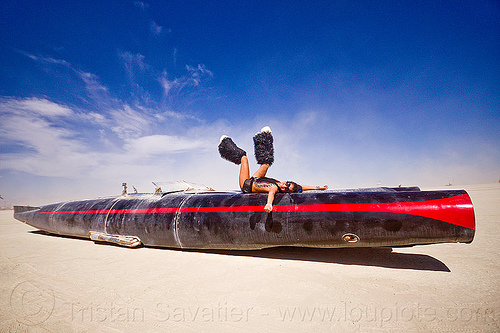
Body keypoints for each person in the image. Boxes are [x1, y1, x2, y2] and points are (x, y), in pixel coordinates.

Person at [218, 126, 328, 212]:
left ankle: (224, 144)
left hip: (246, 184)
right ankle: (262, 138)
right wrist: (318, 188)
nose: (284, 185)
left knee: (244, 158)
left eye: (286, 188)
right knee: (266, 163)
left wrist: (269, 205)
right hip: (257, 179)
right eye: (288, 183)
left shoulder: (274, 188)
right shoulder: (283, 184)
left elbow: (270, 195)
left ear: (283, 191)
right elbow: (301, 186)